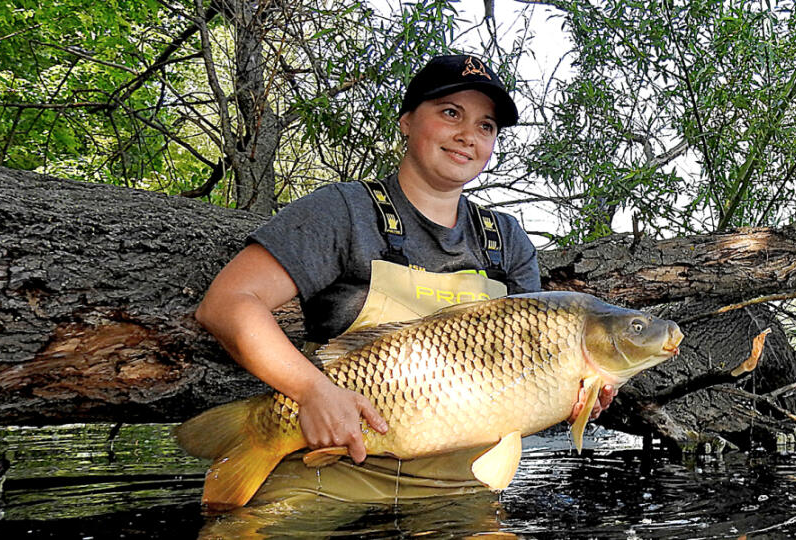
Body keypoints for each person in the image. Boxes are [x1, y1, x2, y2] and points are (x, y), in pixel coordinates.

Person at [194, 54, 616, 501]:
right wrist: (313, 391)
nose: (467, 136)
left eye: (486, 126)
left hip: (459, 482)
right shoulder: (345, 211)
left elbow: (527, 378)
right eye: (451, 113)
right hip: (336, 463)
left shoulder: (506, 240)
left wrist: (574, 395)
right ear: (407, 121)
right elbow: (226, 303)